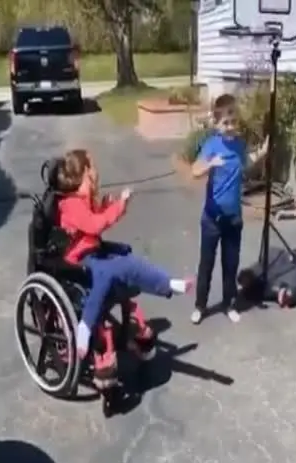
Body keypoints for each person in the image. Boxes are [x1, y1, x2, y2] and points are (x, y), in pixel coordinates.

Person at [56, 149, 193, 381]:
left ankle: (170, 284)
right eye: (93, 167)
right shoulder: (70, 204)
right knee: (107, 273)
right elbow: (94, 225)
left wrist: (116, 204)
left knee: (130, 261)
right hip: (78, 261)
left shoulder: (83, 200)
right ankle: (85, 327)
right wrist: (118, 207)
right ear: (86, 174)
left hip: (94, 253)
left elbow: (96, 218)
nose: (97, 172)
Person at [190, 94, 269, 324]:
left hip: (234, 218)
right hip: (212, 219)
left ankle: (229, 304)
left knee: (230, 264)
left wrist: (262, 153)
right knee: (206, 264)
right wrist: (209, 164)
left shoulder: (239, 145)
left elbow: (246, 162)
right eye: (226, 122)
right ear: (217, 123)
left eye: (234, 121)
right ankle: (200, 306)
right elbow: (195, 170)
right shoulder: (212, 145)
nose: (231, 126)